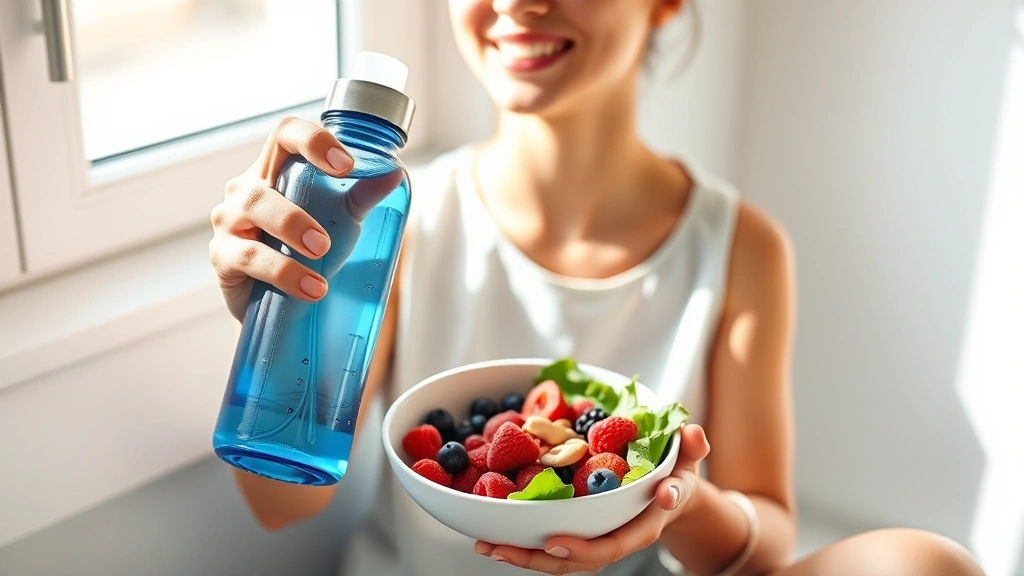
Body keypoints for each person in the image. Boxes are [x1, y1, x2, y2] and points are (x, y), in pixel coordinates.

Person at [207, 1, 985, 574]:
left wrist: (671, 499)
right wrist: (274, 322)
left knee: (924, 562)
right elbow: (281, 504)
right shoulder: (392, 215)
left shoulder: (741, 249)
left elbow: (764, 543)